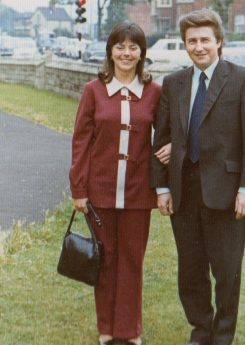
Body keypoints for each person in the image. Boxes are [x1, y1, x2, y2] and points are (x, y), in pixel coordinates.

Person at [151, 8, 245, 345]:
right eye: (191, 41)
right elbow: (161, 140)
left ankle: (223, 334)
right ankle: (201, 330)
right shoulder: (173, 83)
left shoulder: (243, 79)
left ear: (219, 42)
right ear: (185, 45)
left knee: (227, 271)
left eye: (204, 40)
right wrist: (161, 187)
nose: (198, 47)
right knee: (190, 269)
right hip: (184, 193)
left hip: (227, 193)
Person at [69, 21, 170, 345]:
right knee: (105, 260)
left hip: (140, 193)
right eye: (120, 46)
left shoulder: (154, 92)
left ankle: (129, 331)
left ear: (142, 53)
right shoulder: (93, 90)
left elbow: (165, 138)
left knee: (131, 262)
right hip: (100, 191)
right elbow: (81, 142)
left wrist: (166, 166)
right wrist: (79, 189)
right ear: (110, 50)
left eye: (133, 47)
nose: (126, 53)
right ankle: (107, 329)